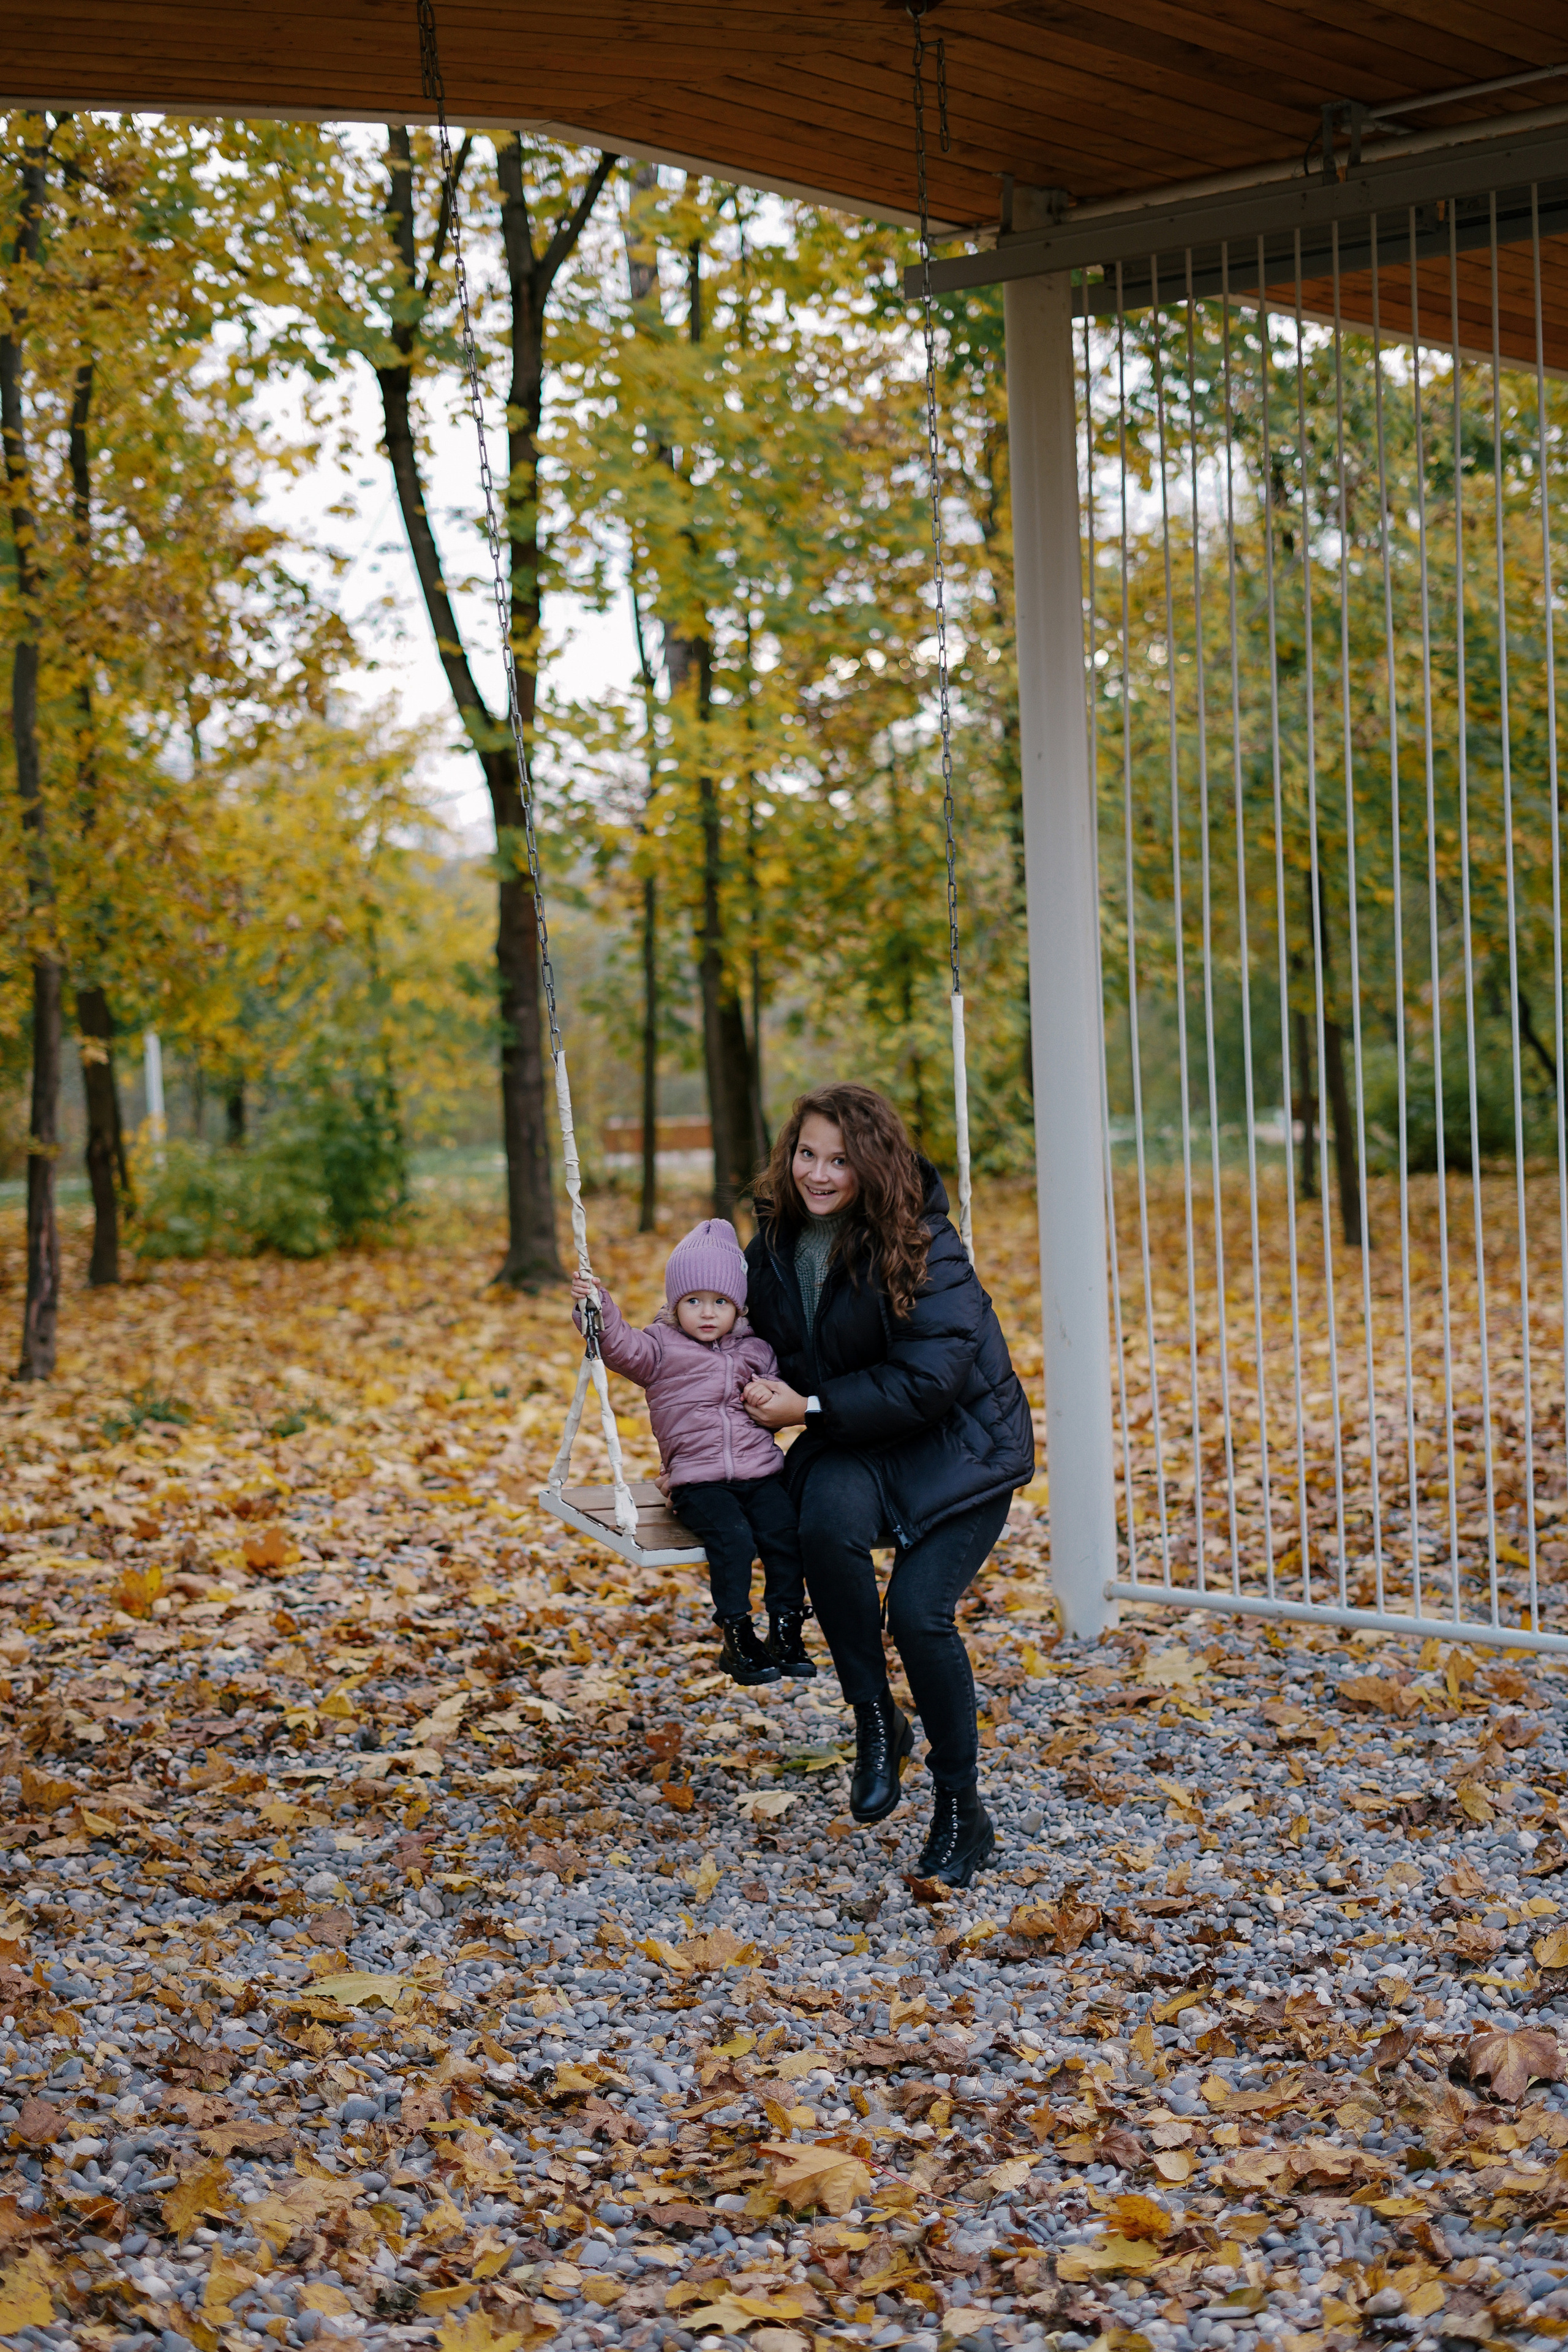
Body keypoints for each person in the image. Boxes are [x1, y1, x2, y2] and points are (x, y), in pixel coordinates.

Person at [741, 1084, 1034, 1888]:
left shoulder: (924, 1242)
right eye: (807, 1153)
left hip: (958, 1448)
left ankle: (961, 1810)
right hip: (857, 1436)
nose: (820, 1174)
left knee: (917, 1611)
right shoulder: (773, 1243)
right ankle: (876, 1717)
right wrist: (629, 1335)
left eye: (840, 1159)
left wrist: (806, 1405)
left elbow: (932, 1379)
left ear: (873, 1164)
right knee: (822, 1523)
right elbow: (727, 1328)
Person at [570, 1218, 815, 1687]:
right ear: (675, 1304)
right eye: (693, 1301)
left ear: (738, 1307)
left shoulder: (756, 1348)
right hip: (696, 1480)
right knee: (734, 1539)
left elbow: (779, 1389)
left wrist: (768, 1392)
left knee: (786, 1535)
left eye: (720, 1302)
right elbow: (618, 1346)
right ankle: (738, 1633)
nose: (707, 1313)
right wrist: (596, 1308)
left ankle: (787, 1628)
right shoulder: (660, 1349)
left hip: (760, 1471)